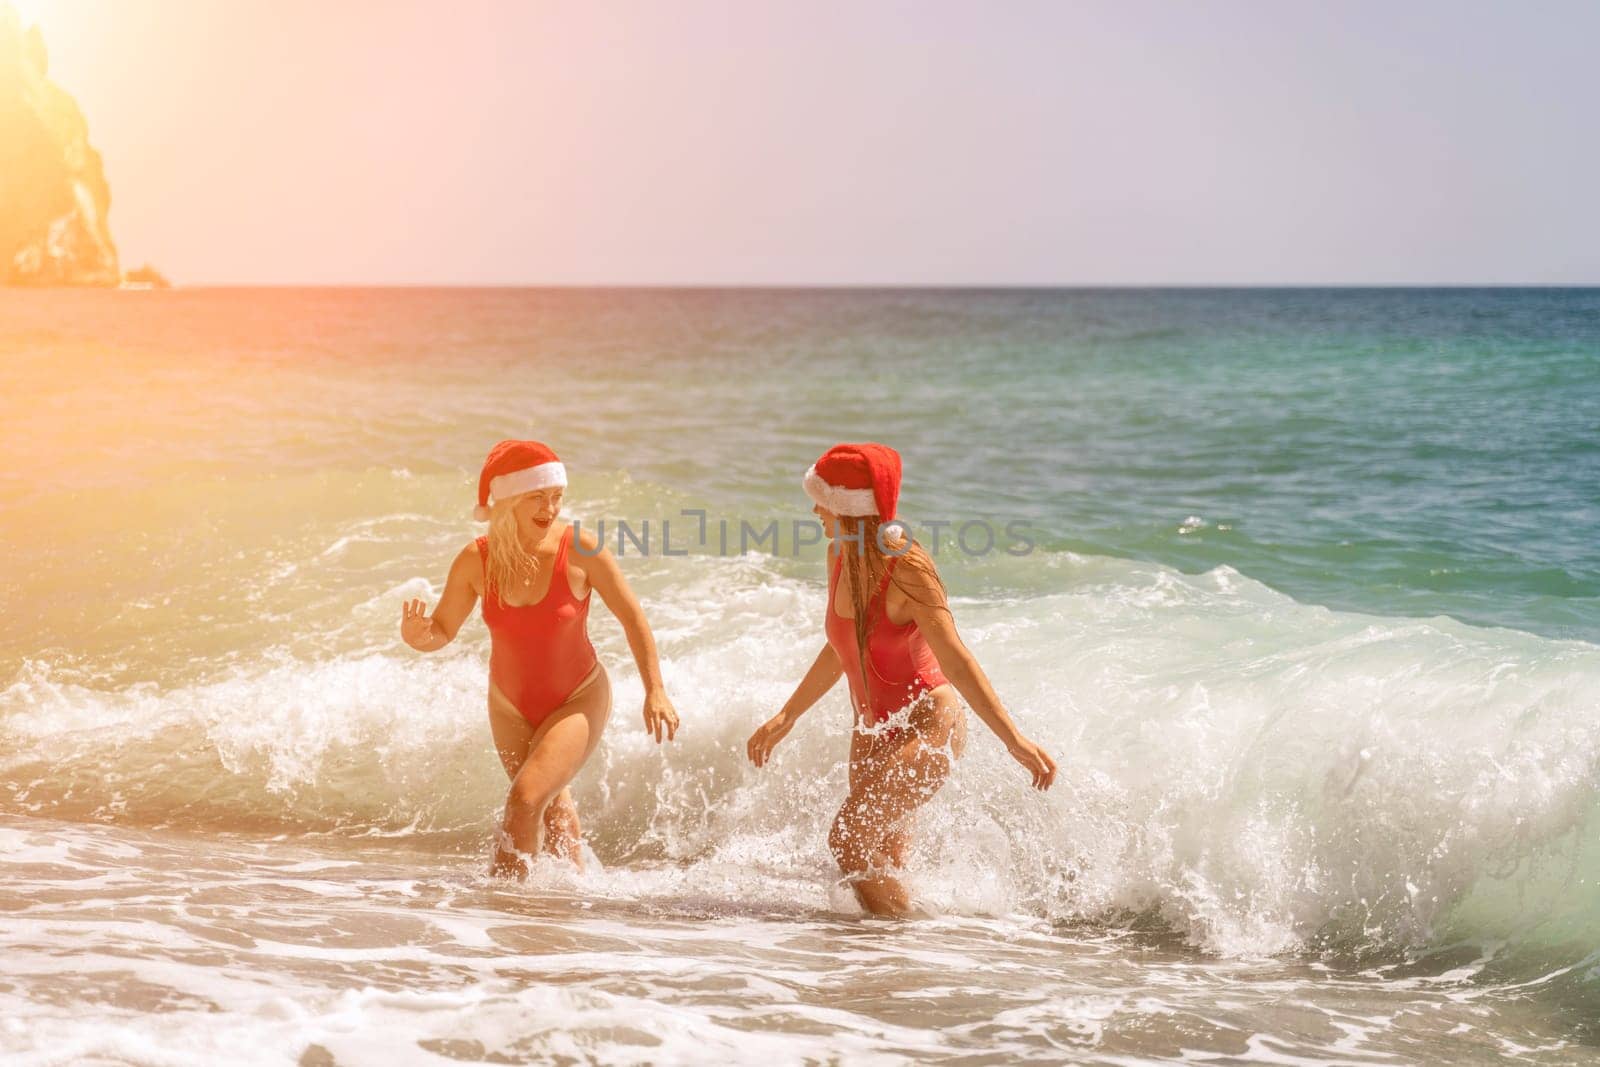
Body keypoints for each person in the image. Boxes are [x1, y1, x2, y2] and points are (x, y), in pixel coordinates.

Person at [746, 442, 1056, 916]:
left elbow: (956, 659)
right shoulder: (839, 554)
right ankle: (896, 969)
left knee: (849, 838)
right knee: (883, 857)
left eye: (823, 500)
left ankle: (909, 940)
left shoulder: (906, 568)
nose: (814, 509)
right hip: (870, 731)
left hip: (927, 723)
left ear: (852, 510)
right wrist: (787, 715)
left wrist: (1014, 740)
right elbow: (843, 647)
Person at [401, 439, 679, 876]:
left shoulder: (581, 548)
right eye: (537, 497)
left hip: (578, 698)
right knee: (548, 807)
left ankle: (506, 907)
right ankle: (565, 905)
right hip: (509, 706)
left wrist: (655, 690)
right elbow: (442, 630)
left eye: (555, 497)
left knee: (525, 799)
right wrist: (419, 637)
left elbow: (633, 619)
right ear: (508, 501)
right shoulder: (477, 559)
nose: (549, 508)